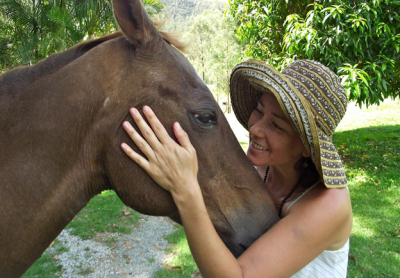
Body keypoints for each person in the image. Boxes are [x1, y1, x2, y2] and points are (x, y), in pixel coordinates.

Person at [121, 59, 353, 277]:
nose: (256, 129)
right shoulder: (258, 172)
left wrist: (185, 190)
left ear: (306, 146)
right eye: (259, 111)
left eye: (276, 125)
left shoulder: (329, 204)